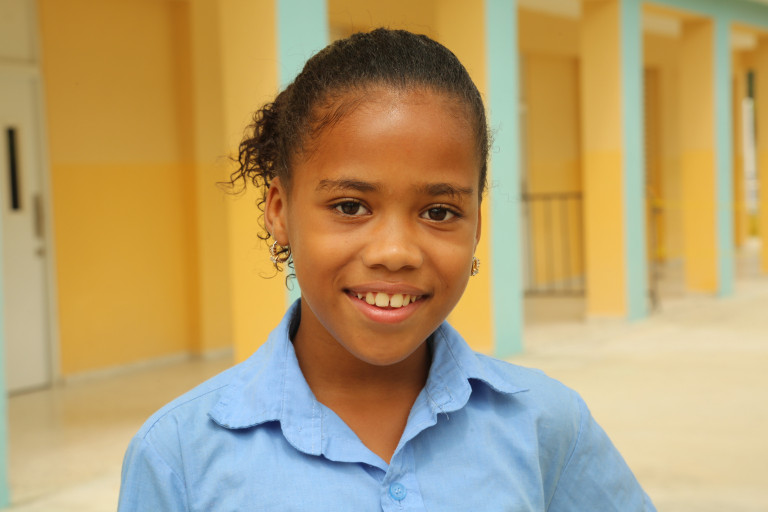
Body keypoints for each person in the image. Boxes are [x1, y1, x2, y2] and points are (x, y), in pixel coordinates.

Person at [118, 28, 655, 511]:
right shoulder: (180, 455)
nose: (395, 252)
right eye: (350, 206)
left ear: (477, 225)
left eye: (439, 212)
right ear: (279, 211)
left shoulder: (546, 427)